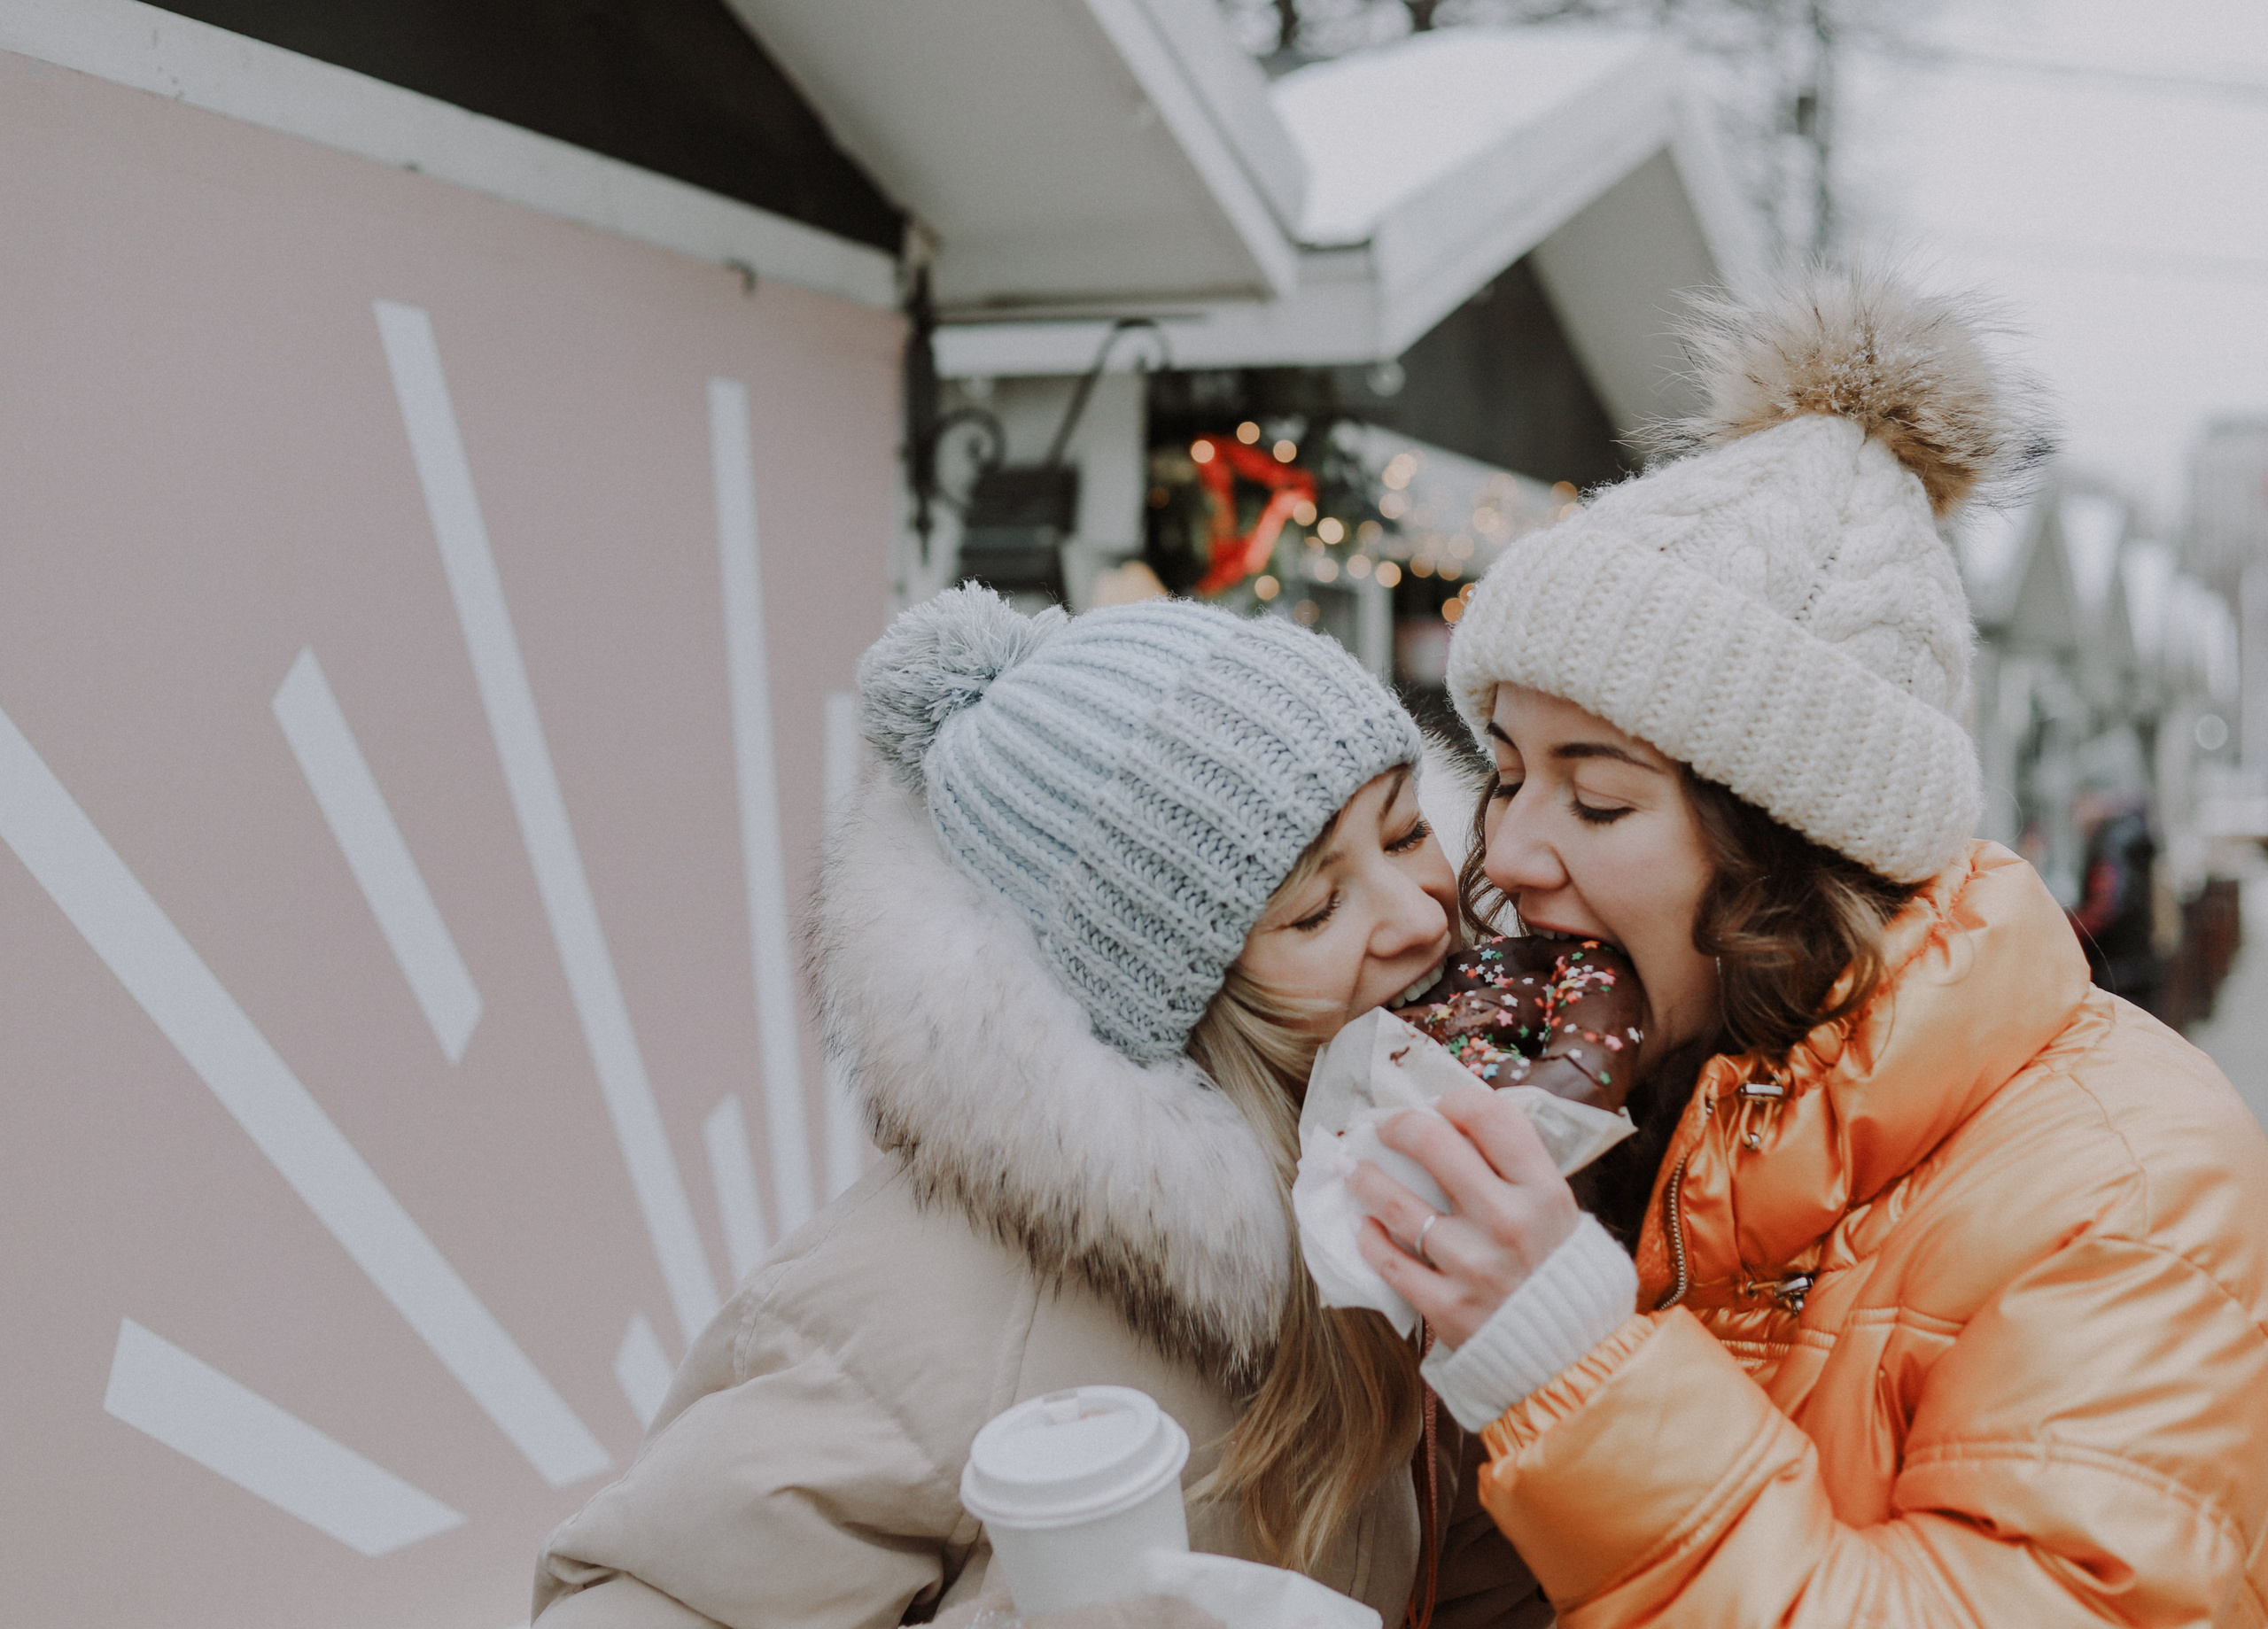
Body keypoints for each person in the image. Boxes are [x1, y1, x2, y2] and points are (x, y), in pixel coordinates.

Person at [1346, 269, 2268, 1625]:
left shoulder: (2131, 1178)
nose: (1515, 852)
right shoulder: (1627, 1094)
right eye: (1505, 771)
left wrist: (1566, 1361)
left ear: (1791, 841)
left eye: (1598, 796)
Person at [532, 588, 1594, 1628]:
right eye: (1315, 907)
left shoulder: (1397, 1207)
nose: (1419, 916)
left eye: (1407, 835)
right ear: (1173, 988)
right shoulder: (923, 1311)